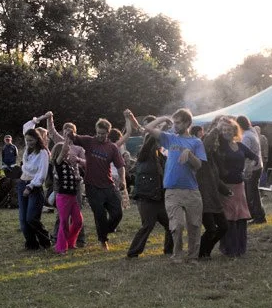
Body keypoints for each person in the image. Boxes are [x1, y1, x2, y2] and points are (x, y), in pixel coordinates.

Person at [135, 108, 206, 262]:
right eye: (174, 122)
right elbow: (148, 129)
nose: (175, 125)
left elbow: (199, 165)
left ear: (187, 123)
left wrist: (190, 155)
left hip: (191, 190)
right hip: (172, 190)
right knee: (178, 225)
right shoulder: (170, 138)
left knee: (194, 225)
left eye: (178, 122)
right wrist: (162, 118)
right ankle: (177, 255)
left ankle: (193, 256)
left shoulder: (196, 142)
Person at [72, 118, 127, 251]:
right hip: (92, 186)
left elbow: (120, 166)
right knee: (100, 214)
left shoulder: (112, 147)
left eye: (103, 133)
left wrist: (123, 181)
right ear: (96, 131)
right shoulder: (89, 141)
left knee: (117, 213)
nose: (100, 136)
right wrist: (69, 133)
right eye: (98, 133)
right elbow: (74, 137)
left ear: (108, 133)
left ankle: (104, 231)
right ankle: (103, 240)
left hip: (108, 185)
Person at [124, 114, 173, 258]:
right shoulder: (143, 154)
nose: (159, 142)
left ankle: (169, 250)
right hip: (146, 197)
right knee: (148, 225)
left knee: (170, 225)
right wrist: (163, 124)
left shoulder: (161, 157)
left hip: (158, 197)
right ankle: (133, 253)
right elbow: (151, 139)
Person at [217, 116, 259, 257]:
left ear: (235, 131)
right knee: (229, 217)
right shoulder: (219, 148)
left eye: (229, 129)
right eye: (224, 130)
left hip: (239, 185)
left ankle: (240, 248)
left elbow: (255, 157)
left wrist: (249, 168)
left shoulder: (240, 145)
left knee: (240, 216)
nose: (226, 132)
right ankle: (229, 248)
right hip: (225, 187)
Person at [45, 112, 87, 246]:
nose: (67, 133)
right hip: (59, 181)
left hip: (74, 181)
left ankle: (79, 239)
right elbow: (51, 131)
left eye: (71, 131)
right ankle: (57, 237)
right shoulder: (59, 142)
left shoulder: (79, 147)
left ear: (75, 133)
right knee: (61, 212)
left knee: (77, 211)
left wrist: (79, 160)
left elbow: (85, 163)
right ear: (62, 132)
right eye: (65, 130)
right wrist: (50, 118)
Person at [197, 127, 231, 259]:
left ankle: (205, 251)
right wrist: (217, 128)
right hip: (204, 199)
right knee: (211, 229)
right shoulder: (202, 157)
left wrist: (225, 190)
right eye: (215, 141)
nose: (216, 144)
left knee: (223, 227)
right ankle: (201, 252)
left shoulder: (211, 159)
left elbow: (215, 179)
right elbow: (207, 143)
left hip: (214, 199)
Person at [17, 129, 52, 250]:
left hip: (34, 187)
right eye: (27, 140)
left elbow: (42, 174)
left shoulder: (43, 153)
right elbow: (27, 125)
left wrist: (30, 186)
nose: (29, 143)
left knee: (31, 218)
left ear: (37, 139)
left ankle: (45, 240)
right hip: (22, 183)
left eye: (31, 140)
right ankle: (31, 244)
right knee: (23, 221)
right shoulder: (27, 151)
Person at [50, 135, 83, 254]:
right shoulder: (58, 163)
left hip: (73, 196)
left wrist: (77, 178)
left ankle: (70, 242)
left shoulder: (70, 165)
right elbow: (64, 149)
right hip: (63, 197)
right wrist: (68, 140)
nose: (69, 153)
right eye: (67, 151)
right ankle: (61, 247)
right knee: (63, 222)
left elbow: (71, 178)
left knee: (78, 221)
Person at [237, 115, 266, 224]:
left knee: (251, 194)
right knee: (253, 192)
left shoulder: (246, 137)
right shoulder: (252, 132)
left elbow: (243, 154)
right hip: (257, 166)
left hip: (251, 168)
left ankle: (258, 216)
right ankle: (256, 215)